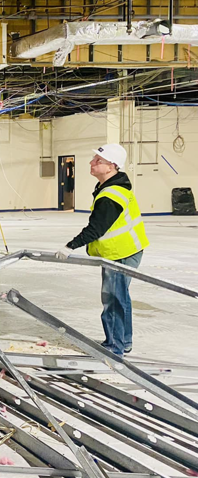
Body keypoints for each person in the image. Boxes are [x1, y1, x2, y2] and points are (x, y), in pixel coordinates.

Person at [55, 144, 149, 357]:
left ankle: (114, 348)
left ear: (111, 166)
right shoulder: (111, 187)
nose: (92, 163)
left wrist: (69, 246)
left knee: (113, 300)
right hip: (127, 250)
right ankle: (123, 342)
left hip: (121, 253)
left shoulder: (111, 195)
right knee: (120, 298)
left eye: (98, 160)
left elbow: (96, 228)